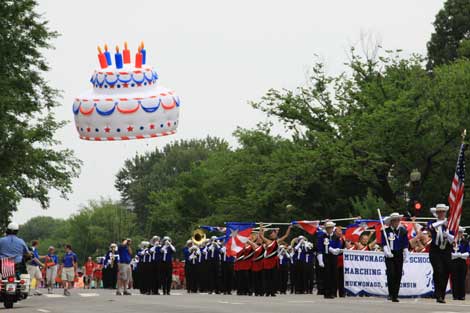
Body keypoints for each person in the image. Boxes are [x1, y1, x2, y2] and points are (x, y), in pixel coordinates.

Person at [428, 204, 454, 303]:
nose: (441, 213)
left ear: (445, 212)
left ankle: (441, 295)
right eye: (439, 211)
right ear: (436, 213)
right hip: (435, 250)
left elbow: (452, 240)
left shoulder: (450, 224)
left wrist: (447, 233)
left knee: (446, 272)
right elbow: (431, 227)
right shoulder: (433, 222)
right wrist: (442, 222)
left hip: (446, 250)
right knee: (438, 270)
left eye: (443, 211)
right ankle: (438, 294)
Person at [381, 212, 409, 303]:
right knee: (391, 273)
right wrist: (387, 252)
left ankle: (395, 295)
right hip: (390, 254)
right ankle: (390, 293)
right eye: (395, 220)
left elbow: (405, 244)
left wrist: (406, 254)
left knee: (398, 274)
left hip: (398, 254)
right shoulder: (386, 231)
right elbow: (384, 244)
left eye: (398, 220)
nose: (397, 222)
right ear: (391, 221)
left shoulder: (403, 231)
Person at [259, 224, 292, 297]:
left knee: (274, 277)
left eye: (275, 233)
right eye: (273, 234)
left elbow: (286, 235)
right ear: (270, 235)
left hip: (274, 262)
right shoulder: (267, 241)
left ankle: (272, 292)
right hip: (267, 262)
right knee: (267, 277)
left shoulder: (277, 241)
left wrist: (289, 228)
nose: (274, 235)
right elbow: (261, 236)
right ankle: (267, 292)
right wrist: (261, 227)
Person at [317, 221, 342, 299]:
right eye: (328, 228)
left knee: (334, 274)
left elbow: (339, 245)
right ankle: (327, 292)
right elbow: (320, 248)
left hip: (334, 257)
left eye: (331, 228)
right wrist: (320, 260)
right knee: (326, 275)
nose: (329, 229)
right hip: (326, 257)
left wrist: (336, 250)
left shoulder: (336, 237)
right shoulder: (322, 237)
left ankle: (333, 292)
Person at [451, 227, 469, 300]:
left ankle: (462, 295)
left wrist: (461, 255)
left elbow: (468, 252)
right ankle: (455, 295)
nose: (459, 234)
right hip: (454, 262)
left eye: (460, 232)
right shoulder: (452, 241)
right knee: (454, 278)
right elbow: (449, 252)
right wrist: (455, 255)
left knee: (462, 279)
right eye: (458, 232)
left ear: (462, 233)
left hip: (462, 261)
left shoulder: (465, 241)